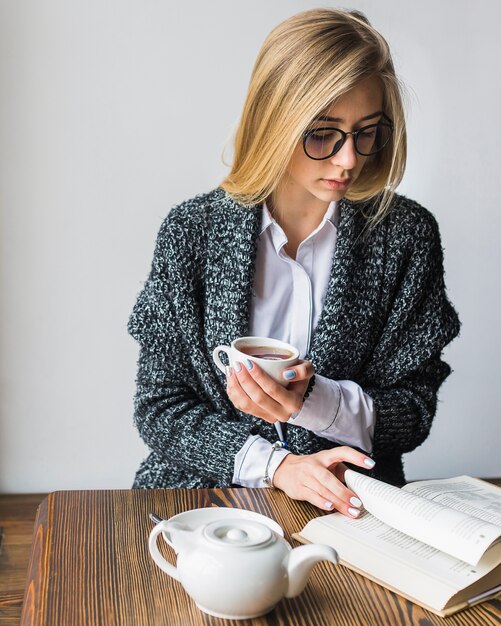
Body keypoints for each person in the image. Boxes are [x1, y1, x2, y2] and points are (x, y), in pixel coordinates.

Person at [128, 8, 460, 518]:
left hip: (349, 507)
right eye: (323, 133)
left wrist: (313, 400)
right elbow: (160, 407)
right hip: (201, 499)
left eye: (367, 132)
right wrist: (276, 465)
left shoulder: (405, 237)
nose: (349, 159)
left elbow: (413, 410)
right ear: (275, 121)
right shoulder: (191, 233)